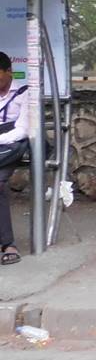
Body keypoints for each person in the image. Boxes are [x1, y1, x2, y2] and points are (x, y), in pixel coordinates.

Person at [0, 53, 29, 267]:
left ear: (9, 72)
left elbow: (23, 129)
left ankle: (8, 244)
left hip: (11, 144)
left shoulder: (24, 92)